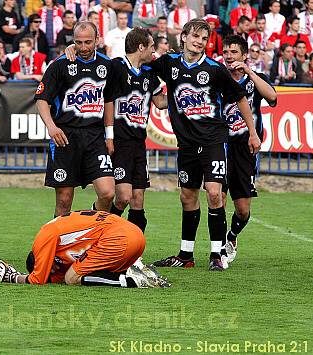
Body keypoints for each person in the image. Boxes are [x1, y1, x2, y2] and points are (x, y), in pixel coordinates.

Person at [149, 19, 261, 271]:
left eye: (204, 38)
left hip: (213, 139)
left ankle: (216, 255)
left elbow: (241, 98)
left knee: (213, 193)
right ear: (184, 37)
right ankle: (185, 255)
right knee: (187, 196)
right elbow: (143, 65)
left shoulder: (215, 69)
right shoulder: (169, 64)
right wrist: (158, 97)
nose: (199, 42)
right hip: (186, 143)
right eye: (195, 36)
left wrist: (252, 132)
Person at [35, 21, 115, 217]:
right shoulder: (60, 65)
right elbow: (41, 100)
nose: (83, 47)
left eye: (88, 42)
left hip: (95, 137)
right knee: (64, 200)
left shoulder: (107, 65)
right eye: (78, 42)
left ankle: (91, 233)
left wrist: (110, 136)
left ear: (97, 40)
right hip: (65, 136)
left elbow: (108, 101)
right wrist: (52, 127)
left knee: (107, 193)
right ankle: (54, 244)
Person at [0, 210, 168, 288]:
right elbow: (54, 277)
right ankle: (138, 271)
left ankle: (132, 281)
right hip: (134, 235)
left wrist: (13, 277)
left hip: (118, 239)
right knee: (86, 272)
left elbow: (37, 280)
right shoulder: (56, 234)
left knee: (72, 278)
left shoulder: (43, 238)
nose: (56, 270)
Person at [220, 35, 277, 267]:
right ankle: (218, 250)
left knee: (242, 210)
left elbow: (273, 97)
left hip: (246, 148)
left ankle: (232, 237)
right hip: (221, 146)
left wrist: (249, 73)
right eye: (226, 52)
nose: (229, 56)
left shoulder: (255, 79)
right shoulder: (218, 78)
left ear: (244, 55)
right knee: (217, 198)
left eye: (234, 52)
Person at [105, 28, 166, 233]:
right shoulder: (116, 66)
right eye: (151, 47)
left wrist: (182, 90)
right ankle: (102, 233)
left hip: (139, 143)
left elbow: (160, 102)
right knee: (123, 197)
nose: (153, 52)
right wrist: (109, 136)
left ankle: (133, 253)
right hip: (120, 142)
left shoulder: (149, 73)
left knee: (138, 199)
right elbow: (108, 100)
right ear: (141, 47)